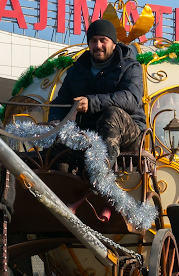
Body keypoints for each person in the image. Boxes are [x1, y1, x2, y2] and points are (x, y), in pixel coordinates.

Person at [49, 18, 146, 167]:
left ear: (114, 44)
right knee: (57, 130)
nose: (98, 45)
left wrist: (91, 102)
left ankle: (100, 178)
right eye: (93, 41)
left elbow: (131, 99)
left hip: (129, 133)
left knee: (112, 115)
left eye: (103, 40)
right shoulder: (76, 71)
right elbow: (62, 101)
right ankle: (56, 181)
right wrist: (55, 123)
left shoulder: (130, 67)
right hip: (88, 132)